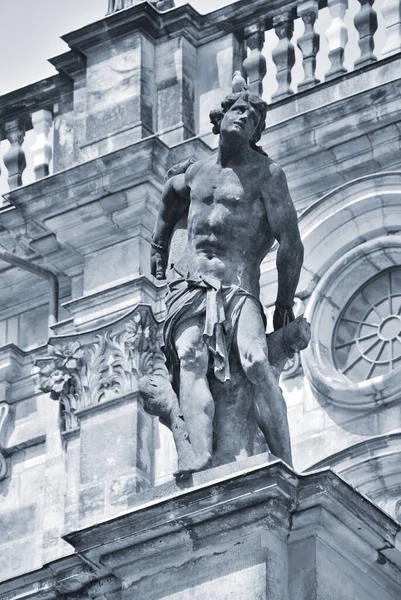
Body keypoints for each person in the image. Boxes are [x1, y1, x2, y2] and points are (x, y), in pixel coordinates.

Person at [151, 81, 303, 472]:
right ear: (220, 119)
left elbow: (291, 244)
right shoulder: (197, 173)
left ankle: (285, 459)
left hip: (238, 286)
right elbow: (169, 200)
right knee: (189, 357)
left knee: (255, 361)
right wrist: (157, 246)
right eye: (238, 111)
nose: (244, 119)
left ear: (256, 133)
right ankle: (200, 453)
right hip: (191, 287)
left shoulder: (266, 175)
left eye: (252, 118)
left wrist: (284, 301)